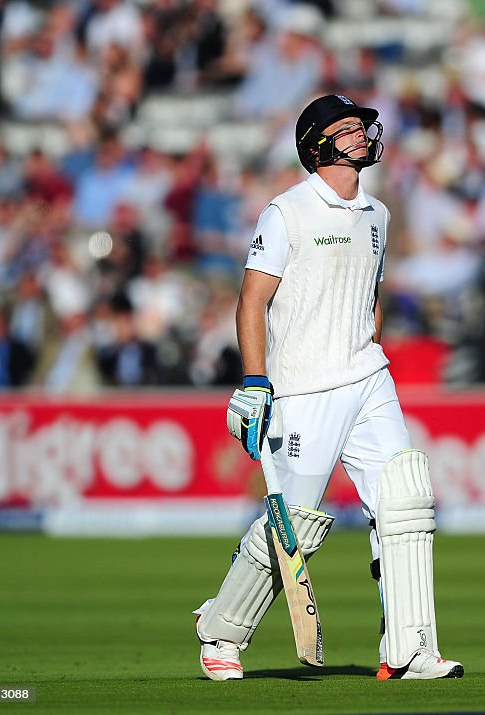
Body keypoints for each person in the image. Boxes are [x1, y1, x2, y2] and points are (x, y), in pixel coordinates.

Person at [194, 94, 464, 682]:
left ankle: (411, 648)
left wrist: (369, 343)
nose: (363, 135)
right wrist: (254, 383)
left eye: (362, 125)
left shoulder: (379, 214)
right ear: (317, 145)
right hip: (303, 387)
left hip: (368, 376)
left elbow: (370, 299)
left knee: (404, 498)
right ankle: (220, 628)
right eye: (347, 129)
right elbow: (253, 299)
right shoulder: (286, 211)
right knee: (294, 523)